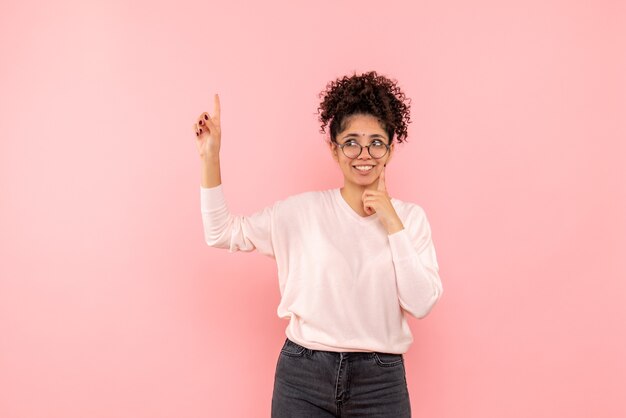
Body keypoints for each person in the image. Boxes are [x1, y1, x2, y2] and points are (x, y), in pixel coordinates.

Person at [193, 71, 443, 418]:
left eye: (376, 142)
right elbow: (221, 232)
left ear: (390, 148)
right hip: (304, 375)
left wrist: (391, 221)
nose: (363, 153)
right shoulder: (300, 212)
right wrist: (210, 157)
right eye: (351, 142)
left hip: (380, 381)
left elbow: (420, 303)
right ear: (334, 148)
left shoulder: (410, 219)